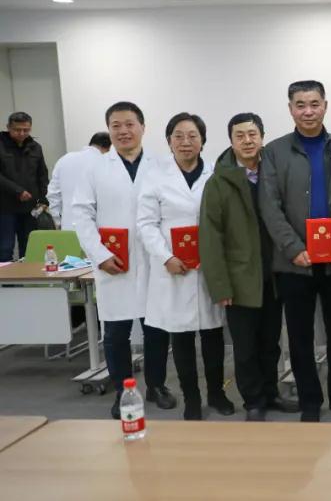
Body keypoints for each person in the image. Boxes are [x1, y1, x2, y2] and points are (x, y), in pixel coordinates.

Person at [260, 80, 331, 422]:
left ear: (325, 106)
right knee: (300, 336)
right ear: (290, 109)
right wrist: (293, 248)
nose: (308, 111)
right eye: (300, 105)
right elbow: (269, 206)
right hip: (294, 264)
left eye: (314, 104)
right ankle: (310, 401)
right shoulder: (274, 152)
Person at [71, 102, 175, 419]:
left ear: (143, 127)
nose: (123, 131)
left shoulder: (162, 165)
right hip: (114, 263)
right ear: (109, 130)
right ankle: (123, 392)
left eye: (130, 124)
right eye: (116, 125)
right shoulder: (94, 169)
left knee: (156, 330)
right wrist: (100, 255)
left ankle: (156, 386)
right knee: (116, 334)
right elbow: (81, 215)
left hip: (153, 261)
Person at [201, 113, 300, 422]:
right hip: (240, 279)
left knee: (271, 343)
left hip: (274, 274)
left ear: (262, 137)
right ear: (231, 141)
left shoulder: (273, 173)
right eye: (240, 135)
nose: (247, 141)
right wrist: (220, 285)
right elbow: (211, 237)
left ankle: (271, 393)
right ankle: (253, 401)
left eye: (252, 134)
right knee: (245, 347)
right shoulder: (219, 182)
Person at [137, 113, 234, 421]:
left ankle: (216, 394)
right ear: (169, 142)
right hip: (174, 269)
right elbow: (146, 224)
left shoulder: (217, 174)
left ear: (202, 140)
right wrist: (165, 257)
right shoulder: (155, 177)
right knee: (181, 338)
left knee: (213, 335)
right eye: (178, 136)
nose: (185, 142)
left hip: (209, 267)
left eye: (192, 136)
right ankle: (192, 398)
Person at [0, 111, 49, 260]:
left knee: (28, 248)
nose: (22, 133)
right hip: (4, 207)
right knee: (5, 248)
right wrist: (18, 191)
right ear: (8, 127)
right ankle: (5, 276)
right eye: (17, 130)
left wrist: (44, 200)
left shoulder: (35, 147)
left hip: (30, 208)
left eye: (26, 130)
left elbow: (42, 175)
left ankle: (26, 275)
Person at [47, 132, 110, 230]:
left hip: (68, 227)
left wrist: (57, 221)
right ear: (109, 148)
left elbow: (53, 194)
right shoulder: (105, 163)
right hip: (96, 229)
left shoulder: (64, 159)